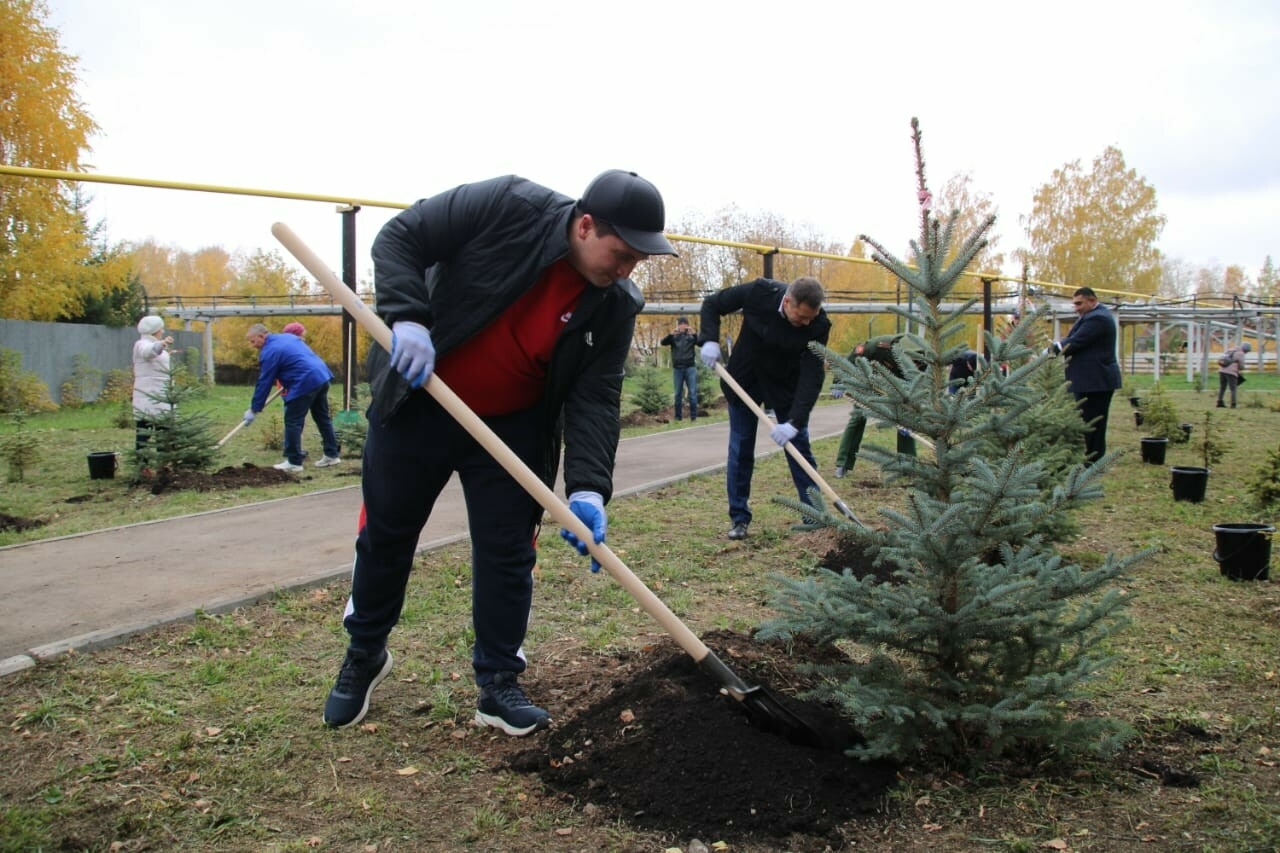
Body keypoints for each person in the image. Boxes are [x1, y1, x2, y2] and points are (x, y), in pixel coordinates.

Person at [321, 170, 677, 736]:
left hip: (514, 425)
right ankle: (365, 651)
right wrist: (409, 315)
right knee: (388, 533)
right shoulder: (506, 206)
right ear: (585, 226)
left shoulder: (614, 305)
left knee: (509, 552)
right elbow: (400, 238)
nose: (628, 270)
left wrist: (587, 487)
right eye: (622, 253)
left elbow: (596, 398)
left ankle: (497, 682)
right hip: (422, 396)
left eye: (638, 260)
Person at [698, 276, 830, 540]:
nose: (806, 323)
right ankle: (739, 518)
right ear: (788, 301)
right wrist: (709, 339)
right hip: (744, 380)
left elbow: (813, 374)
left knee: (799, 447)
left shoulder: (819, 324)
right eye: (801, 316)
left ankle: (814, 514)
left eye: (810, 318)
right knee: (741, 449)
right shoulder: (760, 292)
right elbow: (713, 304)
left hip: (784, 387)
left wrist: (795, 421)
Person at [242, 323, 342, 472]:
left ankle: (294, 462)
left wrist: (254, 408)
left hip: (304, 382)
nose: (252, 345)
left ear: (261, 336)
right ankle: (332, 455)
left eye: (253, 341)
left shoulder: (269, 351)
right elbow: (300, 357)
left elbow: (264, 382)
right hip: (321, 376)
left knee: (293, 421)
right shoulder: (288, 337)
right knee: (322, 418)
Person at [1048, 286, 1122, 463]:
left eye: (1079, 303)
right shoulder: (1092, 316)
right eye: (1074, 304)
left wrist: (1051, 349)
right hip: (1090, 381)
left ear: (1092, 301)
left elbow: (1076, 341)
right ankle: (1090, 457)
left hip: (1096, 382)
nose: (1077, 307)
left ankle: (1093, 461)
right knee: (1088, 421)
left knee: (1094, 423)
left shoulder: (1098, 318)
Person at [131, 315, 175, 451]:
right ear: (154, 330)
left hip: (161, 397)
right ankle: (143, 466)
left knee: (163, 433)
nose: (163, 331)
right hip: (148, 398)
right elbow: (148, 352)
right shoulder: (142, 344)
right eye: (161, 328)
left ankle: (164, 463)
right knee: (144, 434)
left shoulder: (153, 344)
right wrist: (162, 344)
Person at [659, 316, 699, 421]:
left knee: (693, 393)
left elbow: (700, 343)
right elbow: (663, 342)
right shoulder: (674, 337)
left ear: (686, 325)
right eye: (679, 325)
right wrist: (671, 334)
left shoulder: (691, 337)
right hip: (678, 369)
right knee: (677, 394)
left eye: (681, 324)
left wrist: (694, 334)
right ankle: (678, 417)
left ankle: (694, 417)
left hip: (690, 368)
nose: (680, 327)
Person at [1216, 342, 1252, 408]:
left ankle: (1219, 402)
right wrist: (1242, 368)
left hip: (1222, 370)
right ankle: (1233, 404)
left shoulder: (1231, 350)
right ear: (1246, 350)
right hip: (1231, 373)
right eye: (1247, 351)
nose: (1247, 353)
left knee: (1222, 387)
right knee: (1233, 389)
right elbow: (1241, 366)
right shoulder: (1241, 353)